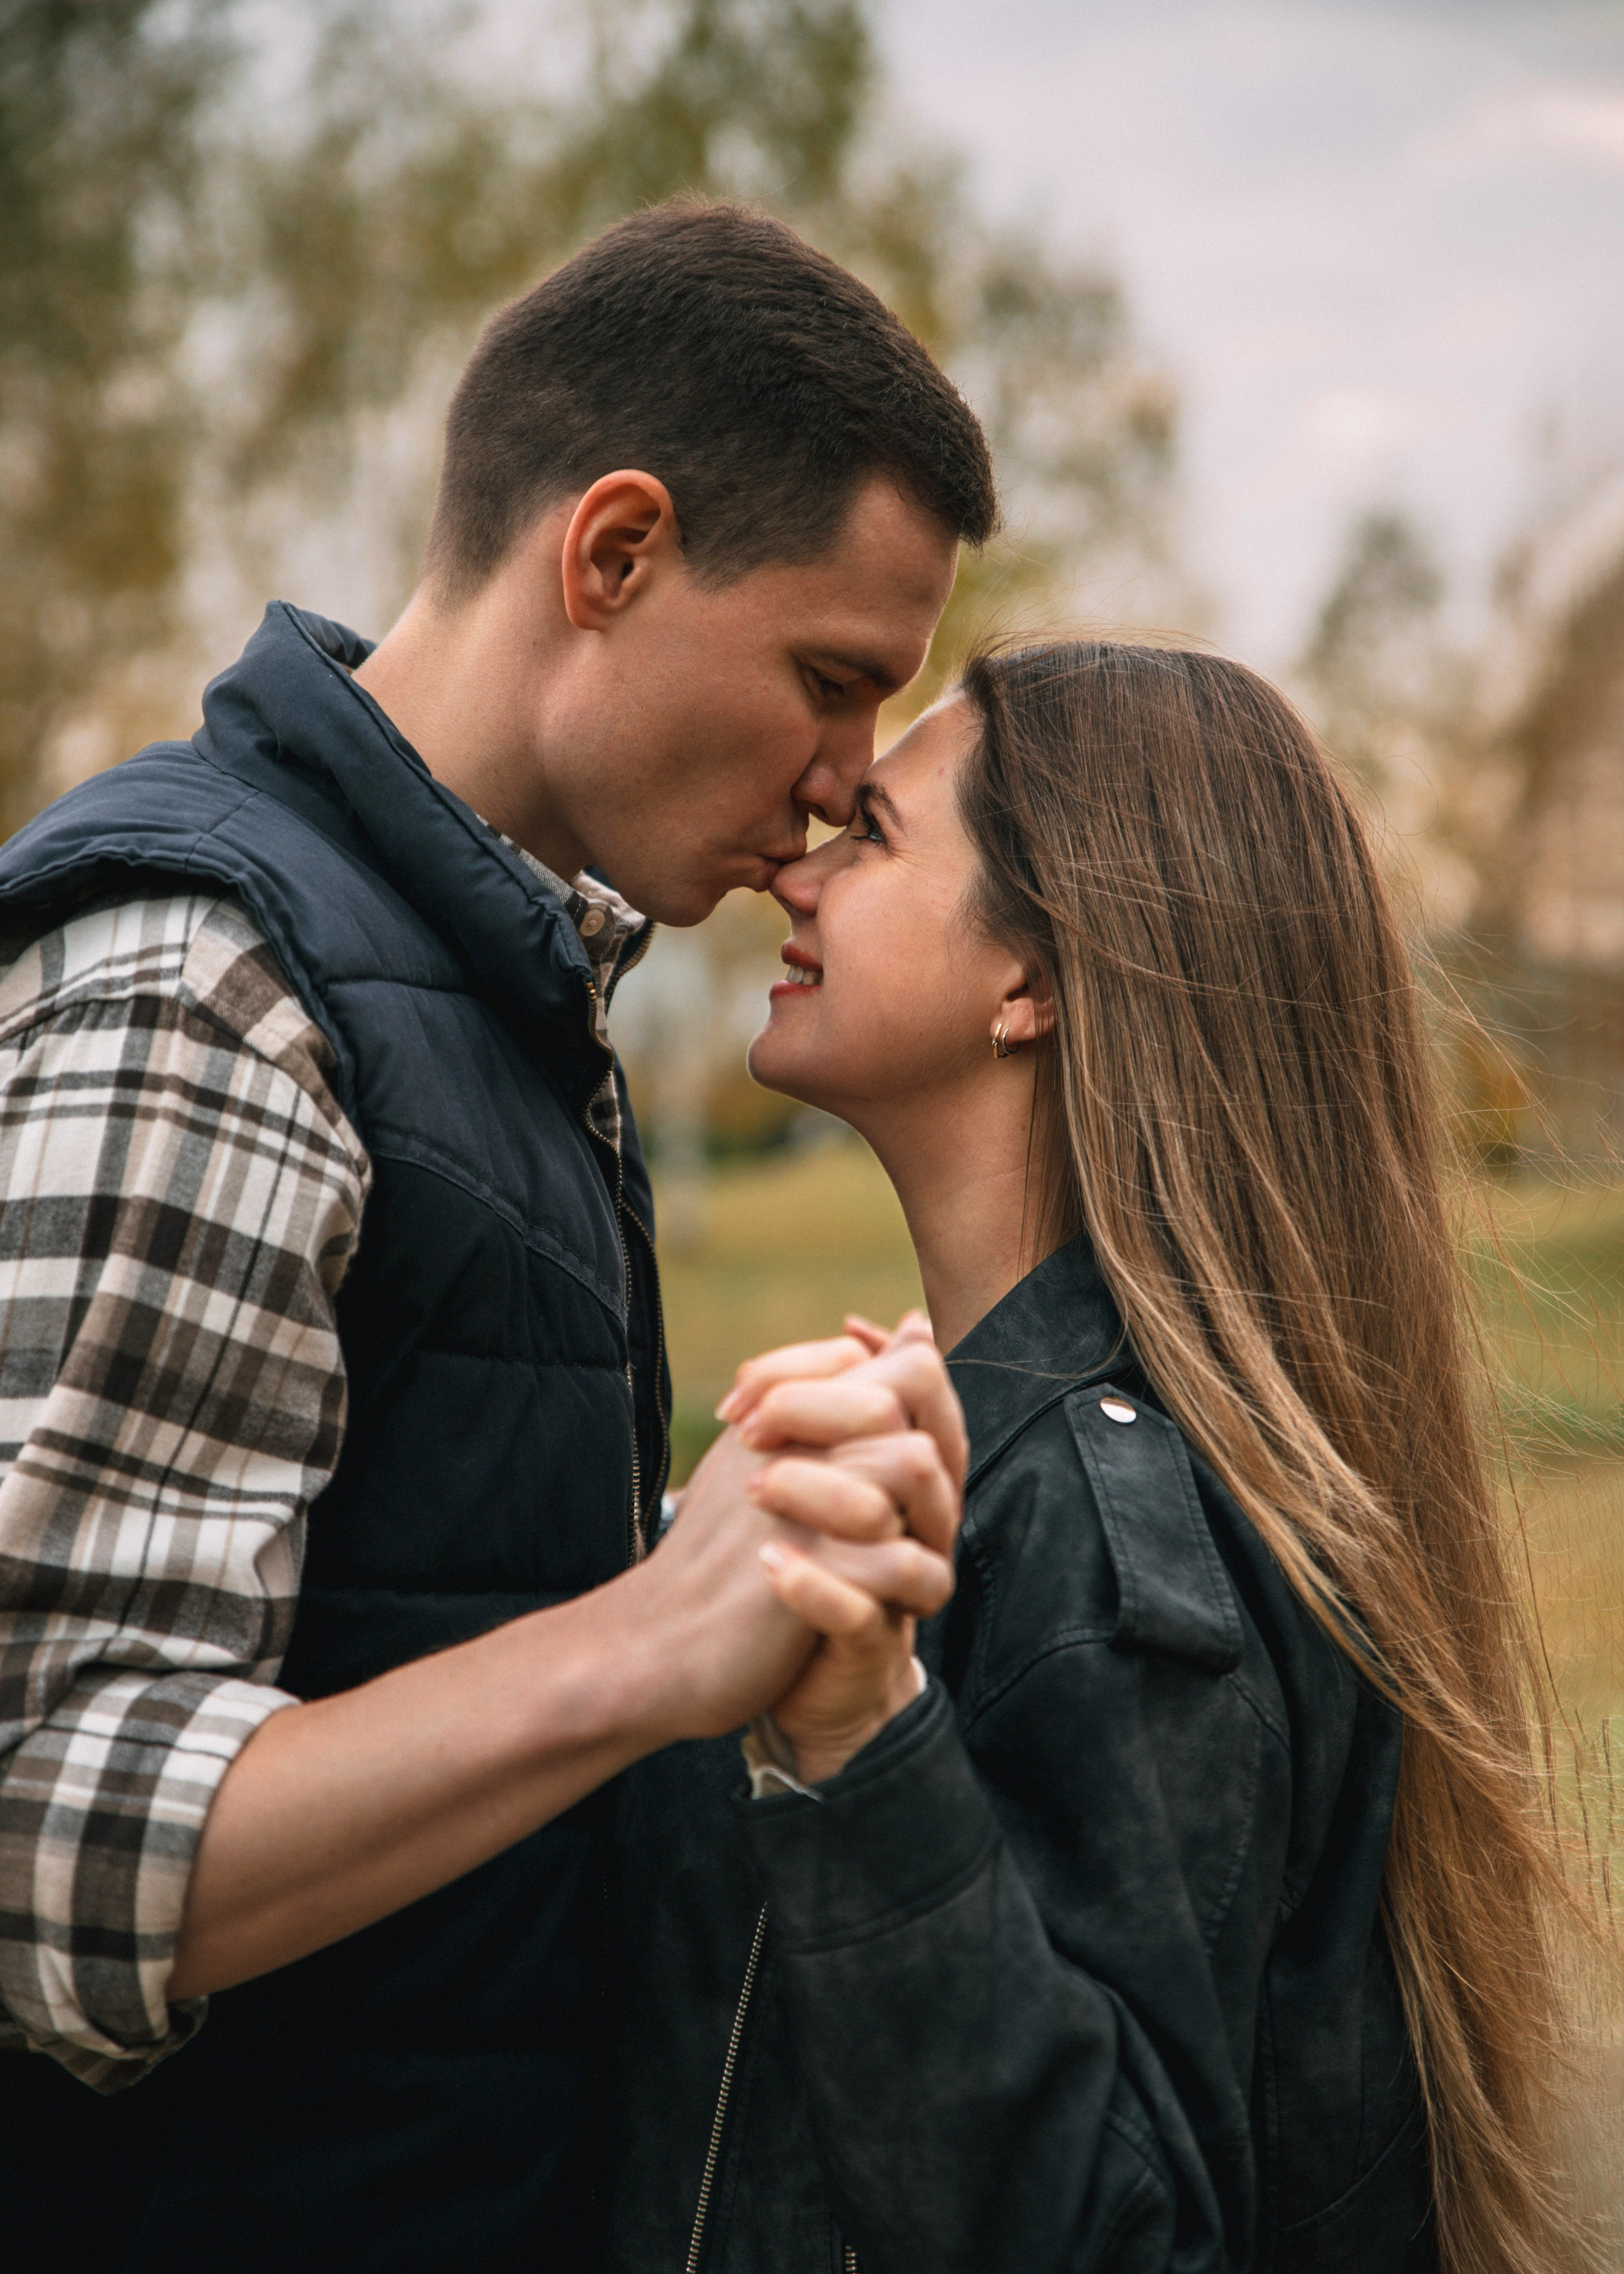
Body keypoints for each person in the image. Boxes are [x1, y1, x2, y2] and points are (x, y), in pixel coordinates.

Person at [0, 200, 990, 2271]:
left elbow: (393, 1593)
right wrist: (645, 1641)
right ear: (612, 552)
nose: (844, 788)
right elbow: (45, 1835)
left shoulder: (494, 994)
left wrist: (741, 1534)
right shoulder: (213, 983)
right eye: (831, 681)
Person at [606, 643, 1578, 2274]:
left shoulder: (1105, 1551)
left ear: (1033, 980)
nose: (798, 867)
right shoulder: (1032, 1473)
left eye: (873, 835)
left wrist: (858, 1744)